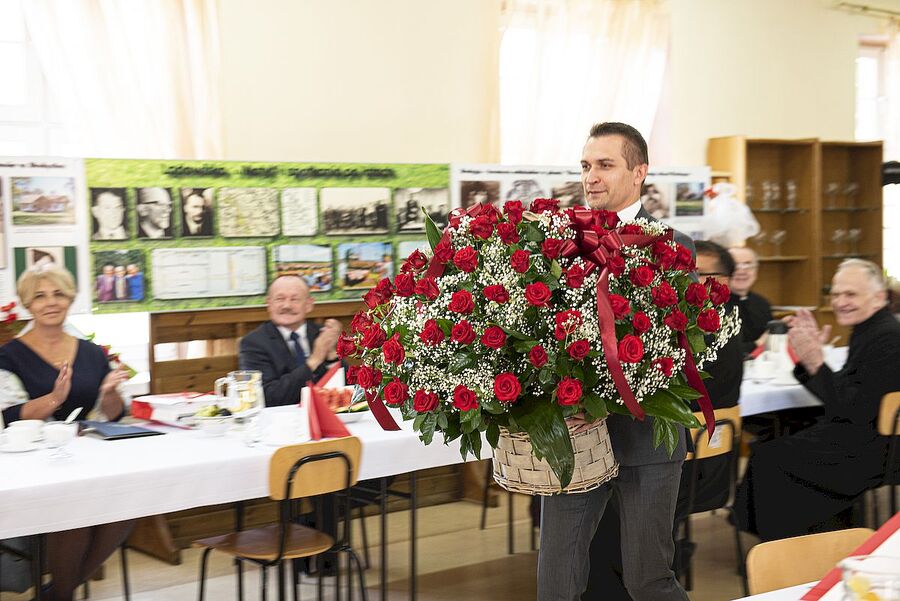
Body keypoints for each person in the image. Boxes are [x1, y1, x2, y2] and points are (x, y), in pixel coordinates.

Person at [537, 122, 693, 601]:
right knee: (556, 578)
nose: (592, 177)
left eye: (605, 165)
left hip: (647, 435)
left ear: (639, 172)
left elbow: (669, 353)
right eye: (586, 166)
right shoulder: (558, 244)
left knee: (649, 579)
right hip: (576, 436)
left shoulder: (673, 246)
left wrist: (602, 402)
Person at [584, 241, 744, 598]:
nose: (692, 281)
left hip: (692, 470)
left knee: (601, 495)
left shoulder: (712, 335)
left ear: (725, 283)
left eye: (703, 275)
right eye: (688, 274)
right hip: (710, 463)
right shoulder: (701, 328)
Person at [734, 258, 900, 541]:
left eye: (851, 294)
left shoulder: (886, 338)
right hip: (868, 436)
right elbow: (849, 397)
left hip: (876, 452)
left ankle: (788, 545)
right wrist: (813, 362)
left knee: (770, 454)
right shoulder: (874, 328)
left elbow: (851, 407)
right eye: (835, 295)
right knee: (780, 431)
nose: (840, 302)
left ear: (879, 297)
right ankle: (813, 534)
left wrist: (815, 361)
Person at [0, 267, 132, 601]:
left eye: (58, 294)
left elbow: (112, 414)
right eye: (40, 296)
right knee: (74, 512)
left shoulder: (91, 352)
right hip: (32, 460)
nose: (50, 303)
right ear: (28, 304)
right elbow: (8, 414)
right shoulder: (9, 355)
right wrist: (54, 400)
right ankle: (61, 595)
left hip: (87, 455)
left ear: (70, 299)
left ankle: (57, 594)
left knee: (128, 506)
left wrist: (110, 393)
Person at [239, 275, 342, 406]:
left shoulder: (321, 334)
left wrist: (331, 356)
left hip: (327, 415)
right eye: (279, 299)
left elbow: (348, 387)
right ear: (269, 304)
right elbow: (267, 397)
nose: (287, 305)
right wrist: (313, 362)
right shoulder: (253, 343)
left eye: (295, 299)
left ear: (309, 305)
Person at [728, 246, 773, 356]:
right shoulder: (711, 306)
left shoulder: (762, 303)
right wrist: (759, 343)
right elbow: (721, 352)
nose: (741, 271)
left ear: (756, 271)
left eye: (748, 265)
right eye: (735, 265)